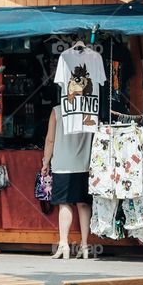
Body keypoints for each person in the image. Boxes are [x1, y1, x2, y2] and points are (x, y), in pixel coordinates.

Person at [41, 105, 93, 259]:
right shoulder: (90, 109)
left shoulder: (57, 110)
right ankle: (85, 245)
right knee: (83, 203)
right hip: (85, 163)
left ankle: (64, 244)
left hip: (62, 164)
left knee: (64, 203)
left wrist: (46, 162)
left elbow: (50, 140)